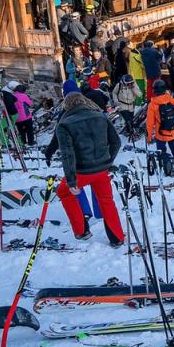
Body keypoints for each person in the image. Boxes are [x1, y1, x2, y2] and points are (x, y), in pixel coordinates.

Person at [54, 92, 124, 245]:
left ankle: (81, 230)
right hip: (102, 169)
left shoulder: (64, 124)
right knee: (107, 201)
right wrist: (108, 161)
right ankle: (117, 237)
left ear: (67, 106)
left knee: (63, 191)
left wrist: (71, 181)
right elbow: (116, 143)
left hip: (83, 171)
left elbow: (68, 154)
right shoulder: (100, 116)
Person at [146, 79, 174, 176]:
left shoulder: (152, 105)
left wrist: (149, 137)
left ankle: (169, 171)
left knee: (162, 152)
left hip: (160, 134)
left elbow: (150, 123)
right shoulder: (172, 101)